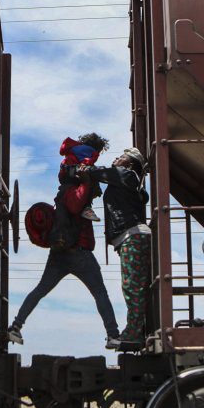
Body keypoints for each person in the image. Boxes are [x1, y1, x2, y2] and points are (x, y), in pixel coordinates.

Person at [8, 186, 121, 351]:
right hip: (80, 253)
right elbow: (76, 205)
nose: (97, 193)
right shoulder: (75, 193)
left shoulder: (61, 199)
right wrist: (87, 183)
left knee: (40, 290)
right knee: (100, 293)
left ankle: (16, 327)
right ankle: (113, 335)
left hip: (58, 254)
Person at [83, 147, 152, 345]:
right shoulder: (129, 180)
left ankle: (133, 334)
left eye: (121, 157)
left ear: (129, 164)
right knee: (133, 286)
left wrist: (82, 170)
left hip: (132, 236)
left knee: (132, 287)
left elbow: (100, 172)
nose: (116, 158)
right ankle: (135, 330)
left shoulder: (125, 174)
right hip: (131, 236)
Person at [58, 133, 107, 224]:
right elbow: (85, 166)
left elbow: (66, 165)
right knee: (90, 179)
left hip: (66, 177)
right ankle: (87, 208)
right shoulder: (90, 154)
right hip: (74, 176)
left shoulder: (74, 151)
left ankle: (86, 208)